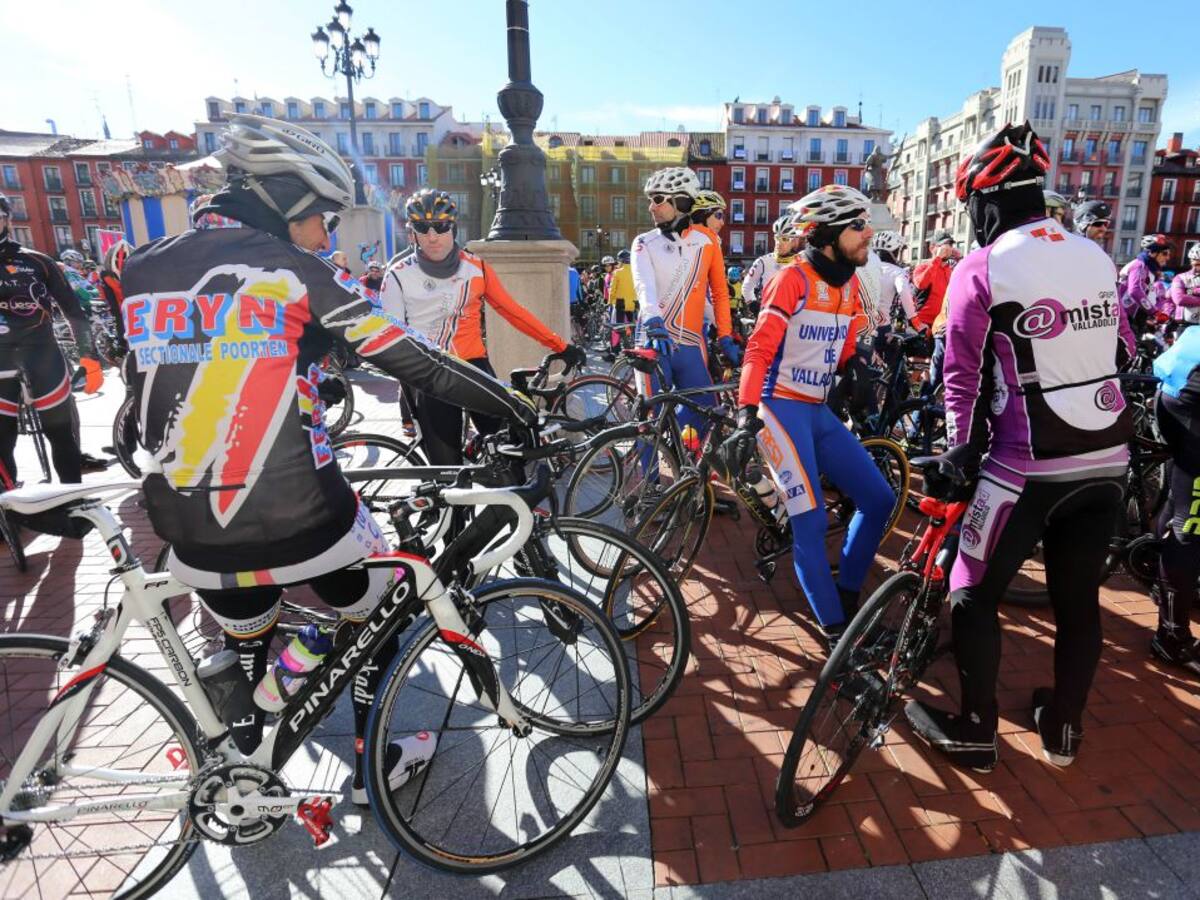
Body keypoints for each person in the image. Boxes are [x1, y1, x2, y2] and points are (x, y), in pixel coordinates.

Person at [120, 115, 540, 803]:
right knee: (381, 606)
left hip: (182, 523)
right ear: (284, 202)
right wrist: (517, 409)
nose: (327, 235)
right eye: (320, 217)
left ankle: (254, 729)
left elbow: (142, 387)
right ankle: (375, 759)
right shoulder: (292, 269)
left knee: (247, 609)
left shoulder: (140, 266)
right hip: (301, 517)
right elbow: (418, 362)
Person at [904, 122, 1131, 771]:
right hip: (1108, 459)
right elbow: (1120, 349)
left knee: (970, 590)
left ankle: (976, 730)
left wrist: (958, 451)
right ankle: (1063, 732)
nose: (971, 220)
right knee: (1078, 602)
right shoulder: (1096, 256)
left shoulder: (985, 266)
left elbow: (961, 375)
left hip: (1027, 463)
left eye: (971, 207)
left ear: (988, 200)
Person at [717, 186, 895, 642]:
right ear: (830, 233)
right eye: (858, 225)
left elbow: (846, 340)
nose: (868, 232)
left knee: (879, 500)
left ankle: (847, 597)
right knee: (811, 522)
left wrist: (855, 363)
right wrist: (745, 414)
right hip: (778, 407)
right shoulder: (791, 279)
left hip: (817, 410)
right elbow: (758, 348)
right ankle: (835, 631)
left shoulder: (850, 282)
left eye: (866, 222)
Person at [380, 188, 584, 466]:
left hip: (473, 365)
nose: (432, 236)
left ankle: (505, 505)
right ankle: (447, 509)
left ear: (453, 227)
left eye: (440, 227)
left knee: (508, 454)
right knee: (446, 468)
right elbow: (390, 340)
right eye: (422, 227)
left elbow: (514, 313)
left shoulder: (476, 268)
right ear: (411, 231)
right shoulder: (398, 275)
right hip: (427, 373)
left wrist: (561, 345)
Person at [0, 194, 104, 485]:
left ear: (7, 220)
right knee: (2, 443)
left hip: (42, 356)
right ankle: (8, 515)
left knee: (61, 436)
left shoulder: (37, 261)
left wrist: (89, 357)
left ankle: (74, 503)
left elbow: (73, 309)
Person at [632, 167, 739, 432]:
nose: (651, 207)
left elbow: (720, 292)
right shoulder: (644, 242)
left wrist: (725, 335)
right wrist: (653, 321)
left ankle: (680, 461)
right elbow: (644, 286)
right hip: (653, 341)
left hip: (691, 343)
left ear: (679, 201)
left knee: (705, 414)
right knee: (650, 423)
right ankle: (652, 473)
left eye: (658, 199)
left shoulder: (708, 242)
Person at [1150, 324, 1200, 674]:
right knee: (1191, 523)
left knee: (1179, 494)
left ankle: (1163, 583)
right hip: (1191, 398)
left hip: (1177, 382)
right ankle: (1170, 638)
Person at [1075, 201, 1137, 360]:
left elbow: (1114, 302)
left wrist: (1126, 337)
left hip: (1098, 330)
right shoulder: (1067, 252)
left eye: (1106, 223)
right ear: (1082, 225)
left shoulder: (1102, 257)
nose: (1103, 228)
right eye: (1097, 224)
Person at [742, 215, 804, 313]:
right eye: (777, 238)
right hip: (768, 312)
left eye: (784, 239)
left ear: (795, 241)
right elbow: (747, 285)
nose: (778, 243)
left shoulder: (803, 262)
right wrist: (753, 304)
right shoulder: (763, 261)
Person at [1120, 234, 1172, 336]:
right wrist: (1154, 312)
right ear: (1152, 253)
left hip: (1136, 317)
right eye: (1165, 253)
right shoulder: (1140, 265)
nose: (1168, 258)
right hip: (1127, 317)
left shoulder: (1149, 269)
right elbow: (1135, 290)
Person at [911, 230, 957, 333]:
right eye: (944, 245)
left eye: (950, 245)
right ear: (932, 248)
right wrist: (937, 258)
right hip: (923, 324)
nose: (948, 248)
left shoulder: (950, 270)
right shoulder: (922, 267)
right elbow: (921, 284)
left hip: (942, 325)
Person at [606, 249, 636, 360]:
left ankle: (618, 351)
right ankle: (634, 347)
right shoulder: (635, 271)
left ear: (621, 260)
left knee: (618, 327)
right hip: (633, 303)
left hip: (620, 303)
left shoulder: (617, 272)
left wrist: (609, 302)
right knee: (632, 326)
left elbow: (612, 290)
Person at [1169, 245, 1200, 330]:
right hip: (1185, 325)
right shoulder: (1180, 278)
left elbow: (1188, 294)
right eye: (1194, 263)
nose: (1196, 267)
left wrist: (1192, 291)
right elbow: (1179, 299)